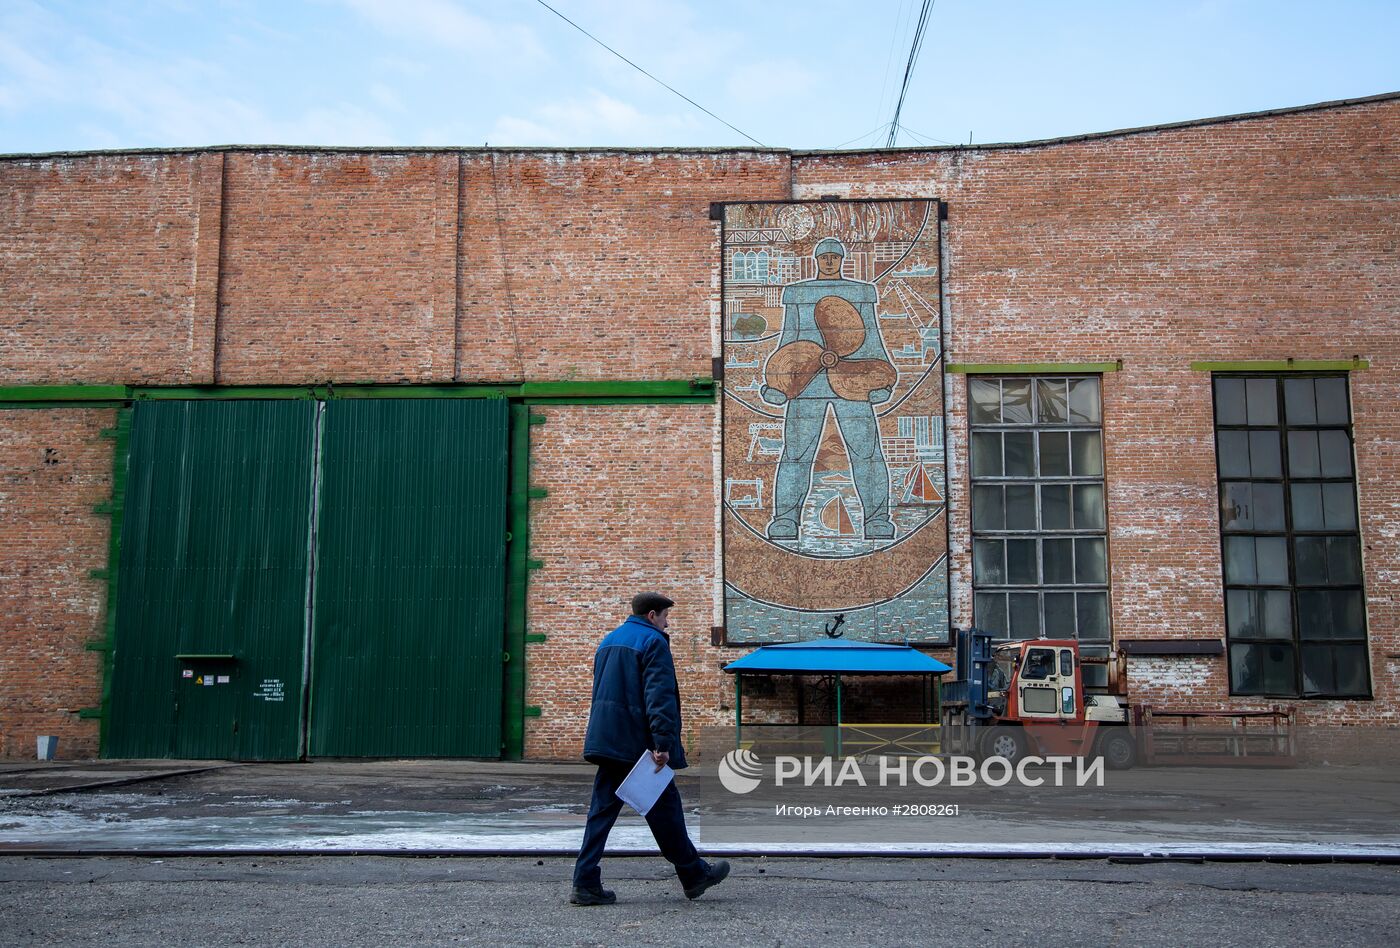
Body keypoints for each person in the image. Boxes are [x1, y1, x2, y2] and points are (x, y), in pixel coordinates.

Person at [569, 592, 730, 905]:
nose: (667, 623)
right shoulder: (653, 642)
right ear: (652, 615)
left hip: (609, 742)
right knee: (667, 813)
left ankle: (585, 881)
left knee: (602, 814)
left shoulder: (609, 641)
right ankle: (694, 874)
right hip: (639, 749)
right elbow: (659, 695)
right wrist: (662, 743)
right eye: (666, 616)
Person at [760, 237, 897, 541]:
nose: (830, 261)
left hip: (852, 380)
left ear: (841, 259)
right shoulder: (799, 293)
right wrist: (779, 383)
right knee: (796, 453)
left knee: (867, 453)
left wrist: (881, 381)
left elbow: (871, 338)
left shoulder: (859, 292)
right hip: (808, 381)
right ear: (817, 260)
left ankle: (877, 520)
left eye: (835, 256)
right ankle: (785, 520)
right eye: (825, 256)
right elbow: (789, 340)